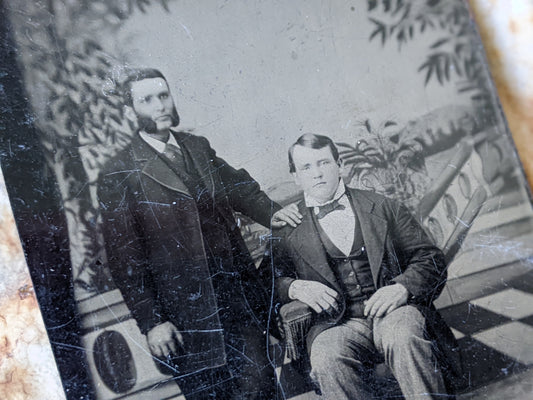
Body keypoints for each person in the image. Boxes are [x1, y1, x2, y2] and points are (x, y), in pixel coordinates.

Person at [97, 68, 300, 399]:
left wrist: (272, 212)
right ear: (130, 111)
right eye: (147, 100)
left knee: (262, 389)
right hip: (185, 321)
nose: (160, 105)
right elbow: (124, 259)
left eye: (163, 95)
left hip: (236, 303)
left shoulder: (196, 146)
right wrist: (151, 322)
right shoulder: (119, 173)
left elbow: (239, 187)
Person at [270, 133, 460, 399]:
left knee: (403, 338)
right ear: (296, 177)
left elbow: (430, 258)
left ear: (340, 165)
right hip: (337, 324)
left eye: (324, 163)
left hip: (395, 310)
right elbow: (266, 281)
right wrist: (295, 287)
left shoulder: (382, 206)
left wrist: (402, 288)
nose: (317, 174)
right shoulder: (289, 229)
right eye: (306, 167)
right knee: (326, 358)